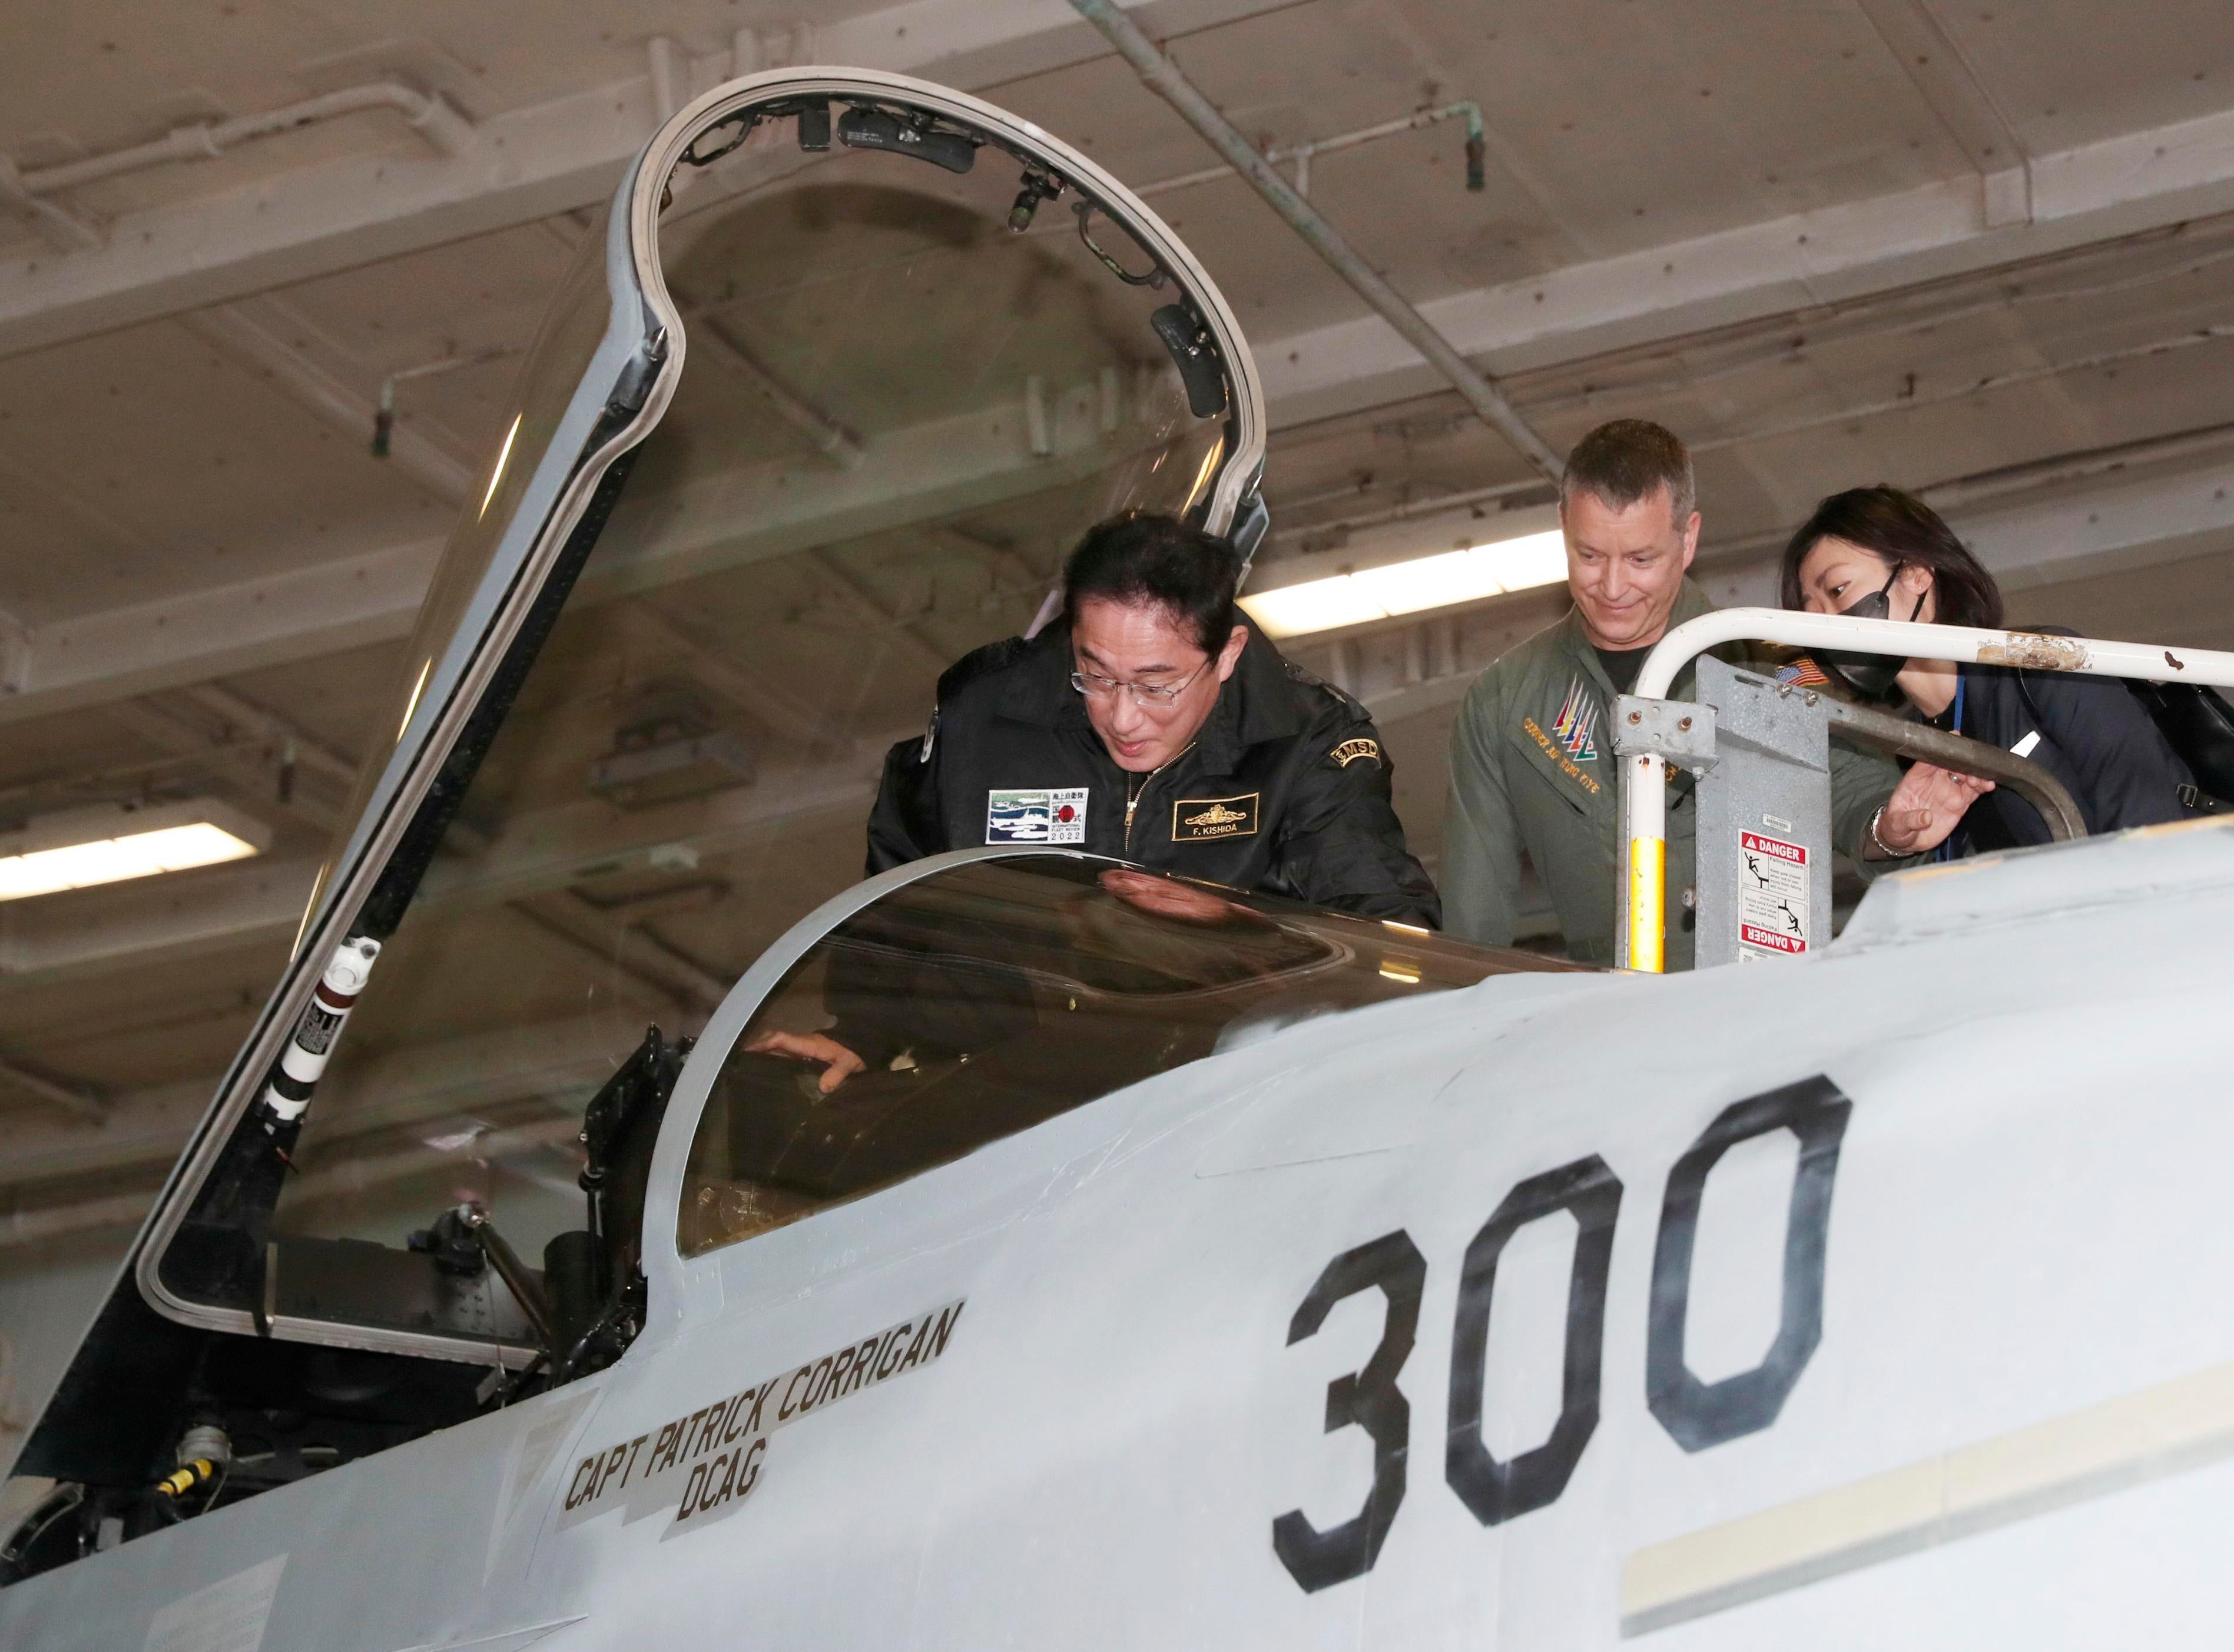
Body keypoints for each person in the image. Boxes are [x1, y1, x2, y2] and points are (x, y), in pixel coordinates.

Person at [749, 510, 1438, 1087]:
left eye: (1155, 684)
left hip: (1220, 1082)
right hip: (1006, 1083)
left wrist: (1239, 930)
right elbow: (904, 888)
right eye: (1095, 674)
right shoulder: (988, 720)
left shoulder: (1303, 742)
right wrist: (864, 1033)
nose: (1122, 716)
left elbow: (1388, 934)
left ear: (1226, 656)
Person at [1441, 419, 1971, 968]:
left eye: (1641, 559)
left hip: (1760, 1002)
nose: (1614, 586)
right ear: (1562, 530)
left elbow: (1855, 789)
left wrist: (1889, 829)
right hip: (1605, 1019)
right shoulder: (1504, 702)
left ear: (1689, 538)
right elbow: (1472, 926)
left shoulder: (1772, 665)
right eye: (1590, 556)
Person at [1782, 485, 2198, 852]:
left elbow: (2145, 807)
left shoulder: (2040, 665)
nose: (1828, 622)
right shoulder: (1917, 754)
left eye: (1838, 590)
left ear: (1915, 574)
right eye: (1812, 613)